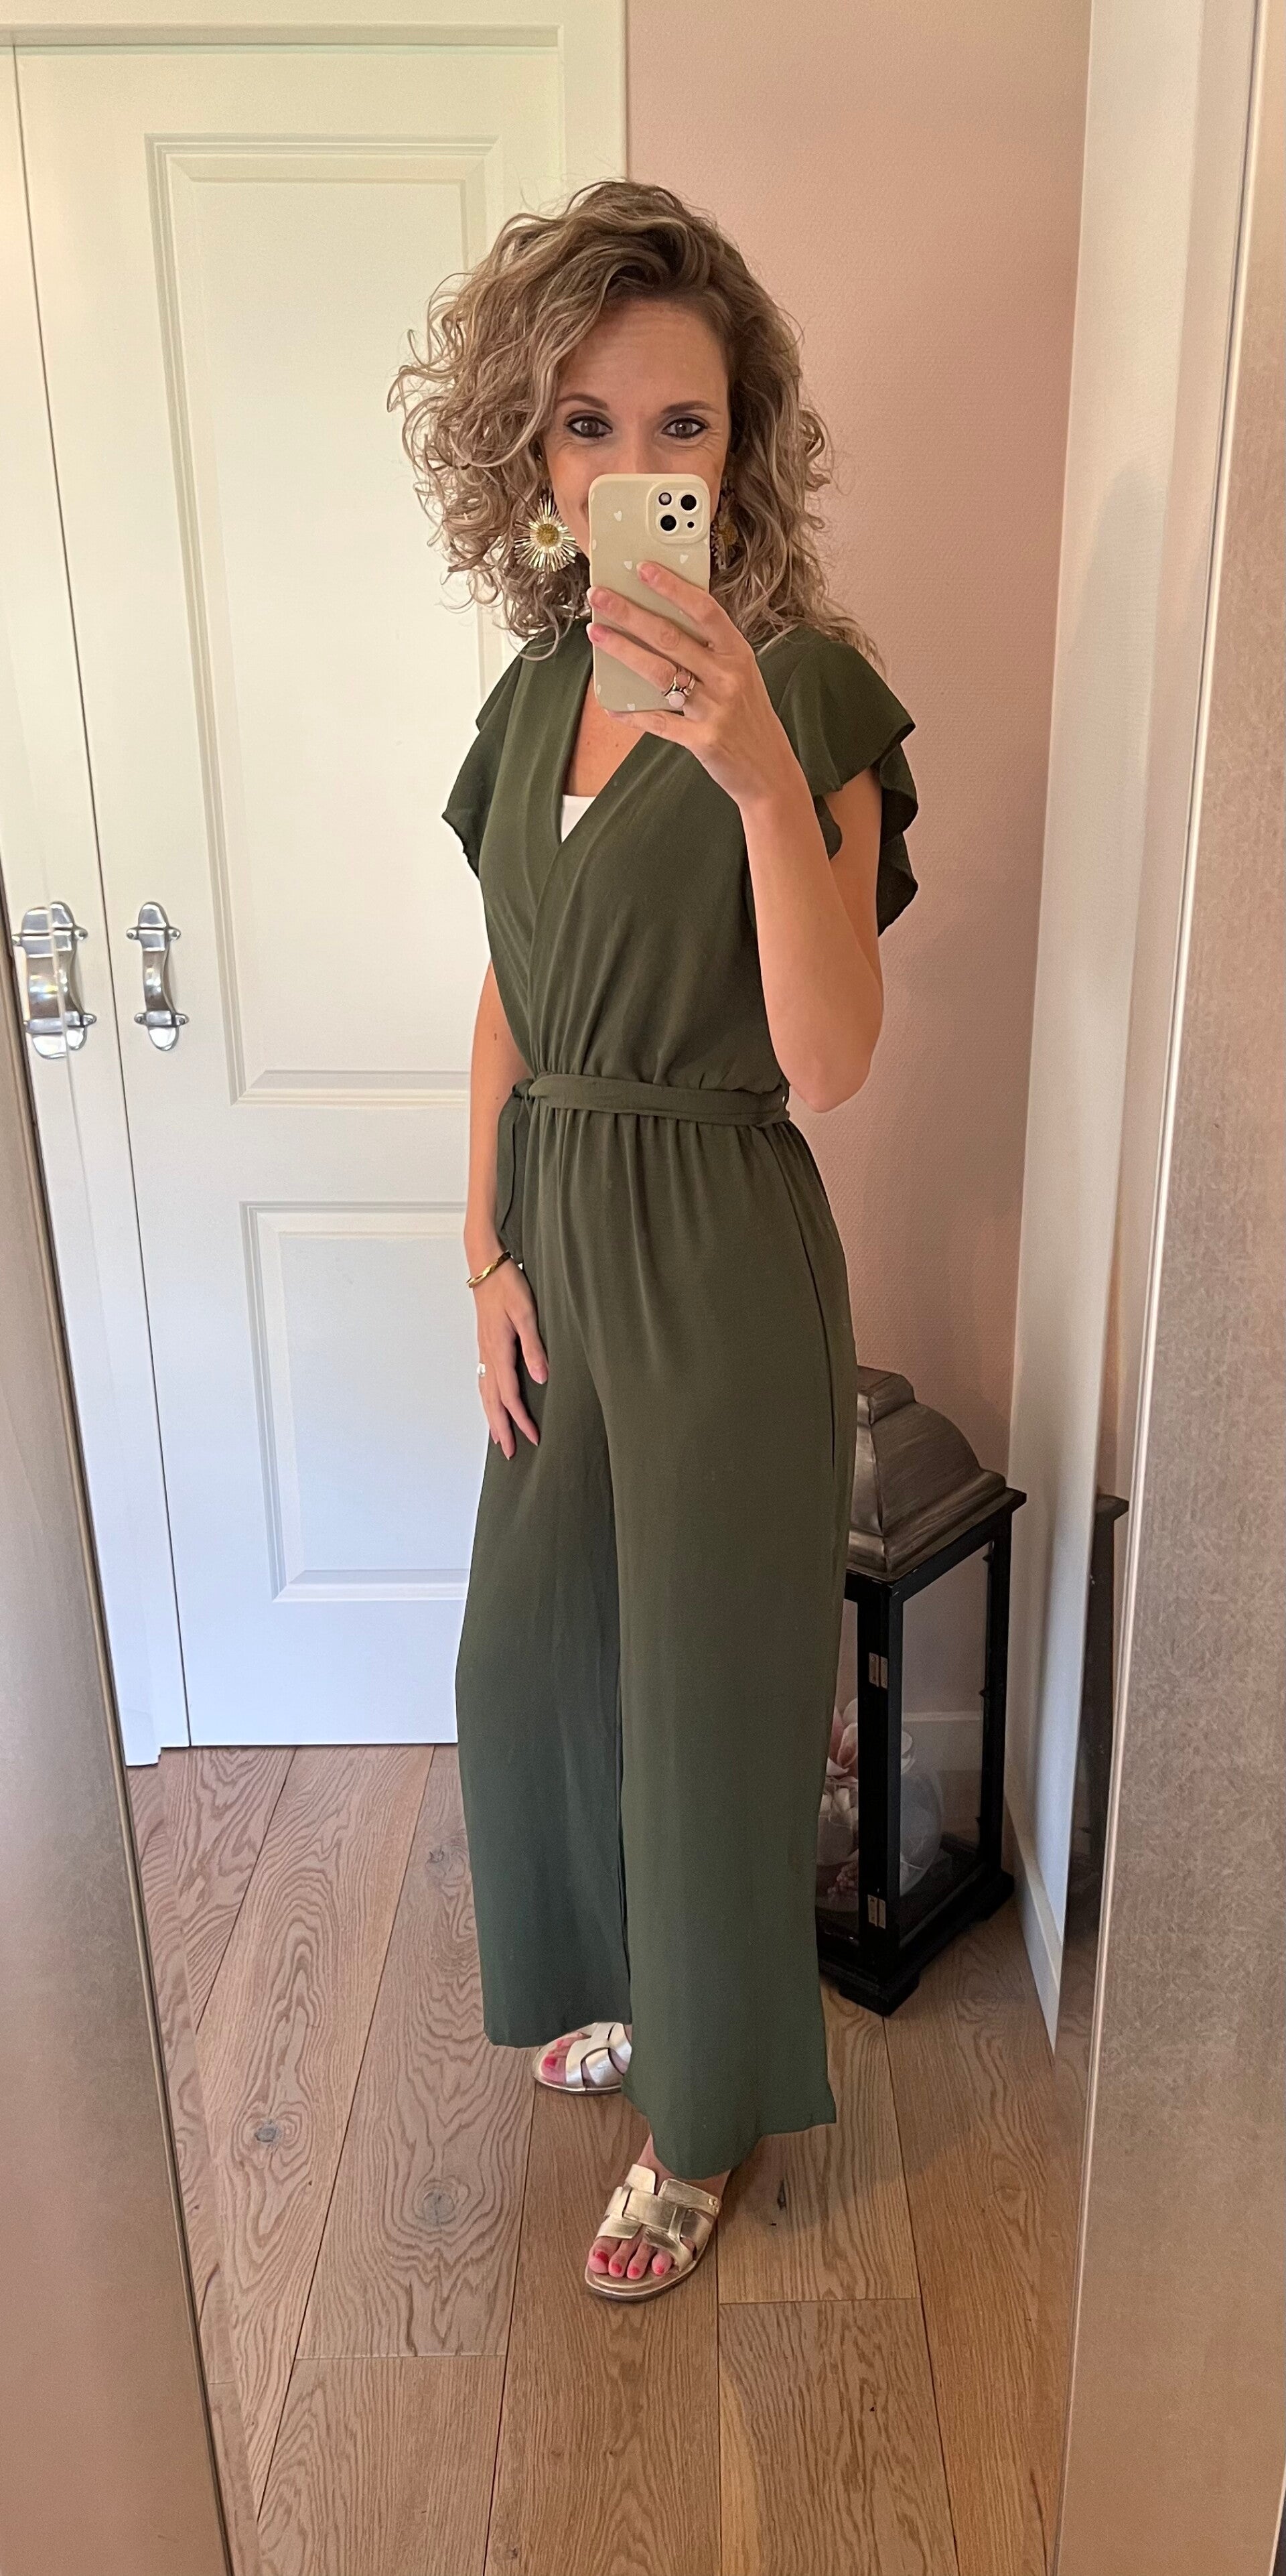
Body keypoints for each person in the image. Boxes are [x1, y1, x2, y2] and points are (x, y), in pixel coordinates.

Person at [391, 179, 919, 2302]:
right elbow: (510, 1002)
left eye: (679, 425)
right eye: (588, 425)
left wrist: (761, 776)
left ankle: (702, 2122)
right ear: (531, 456)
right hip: (556, 1237)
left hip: (715, 1247)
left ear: (738, 446)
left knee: (703, 1699)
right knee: (534, 1662)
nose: (633, 464)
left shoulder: (813, 690)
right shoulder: (532, 700)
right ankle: (626, 1984)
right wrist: (481, 1255)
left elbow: (836, 1060)